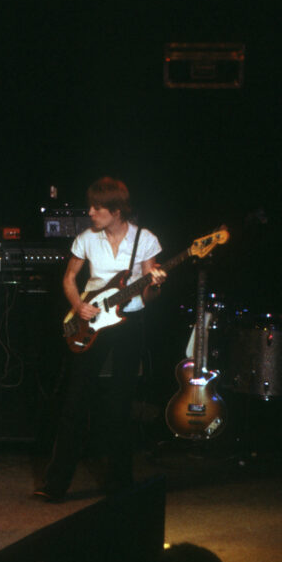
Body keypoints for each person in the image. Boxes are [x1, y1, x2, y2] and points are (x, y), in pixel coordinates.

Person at [34, 177, 165, 503]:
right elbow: (69, 278)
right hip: (90, 321)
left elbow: (148, 297)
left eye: (97, 208)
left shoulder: (145, 239)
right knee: (74, 402)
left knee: (120, 404)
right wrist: (78, 305)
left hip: (128, 323)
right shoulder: (86, 239)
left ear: (117, 211)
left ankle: (119, 483)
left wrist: (155, 283)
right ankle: (55, 484)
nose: (90, 212)